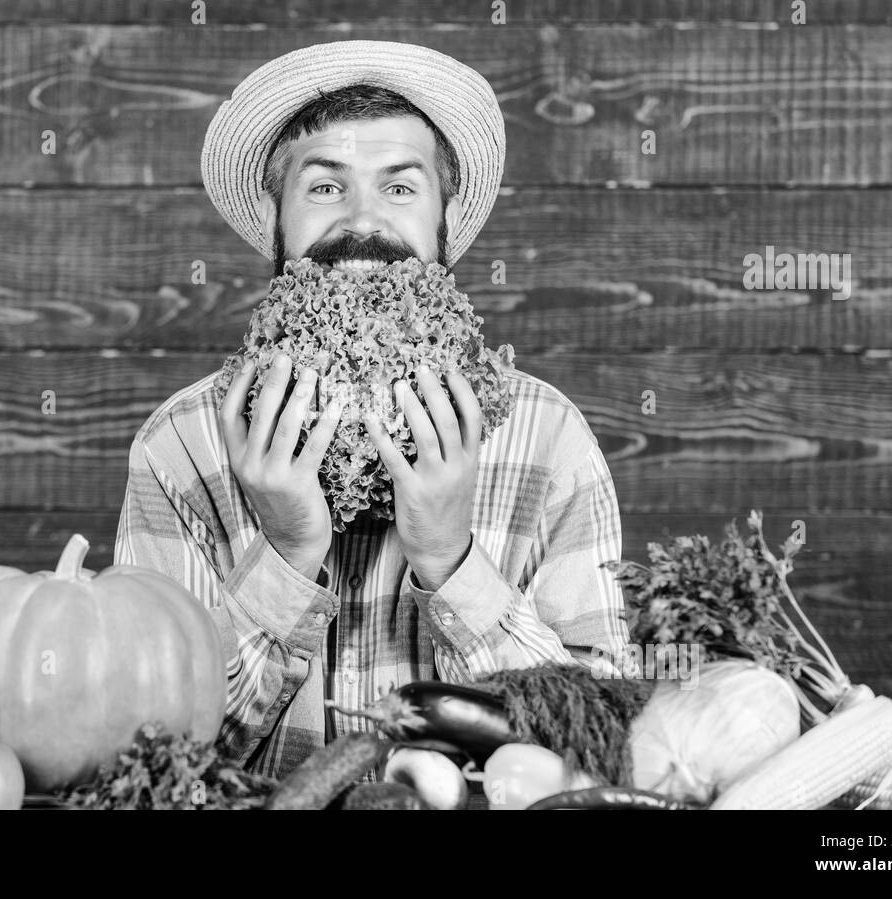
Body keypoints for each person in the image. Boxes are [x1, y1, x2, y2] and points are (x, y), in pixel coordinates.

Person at [115, 40, 632, 778]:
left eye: (400, 188)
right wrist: (287, 555)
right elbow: (150, 762)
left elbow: (603, 749)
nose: (363, 221)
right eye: (325, 187)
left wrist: (454, 562)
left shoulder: (548, 445)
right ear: (275, 223)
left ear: (444, 223)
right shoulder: (182, 449)